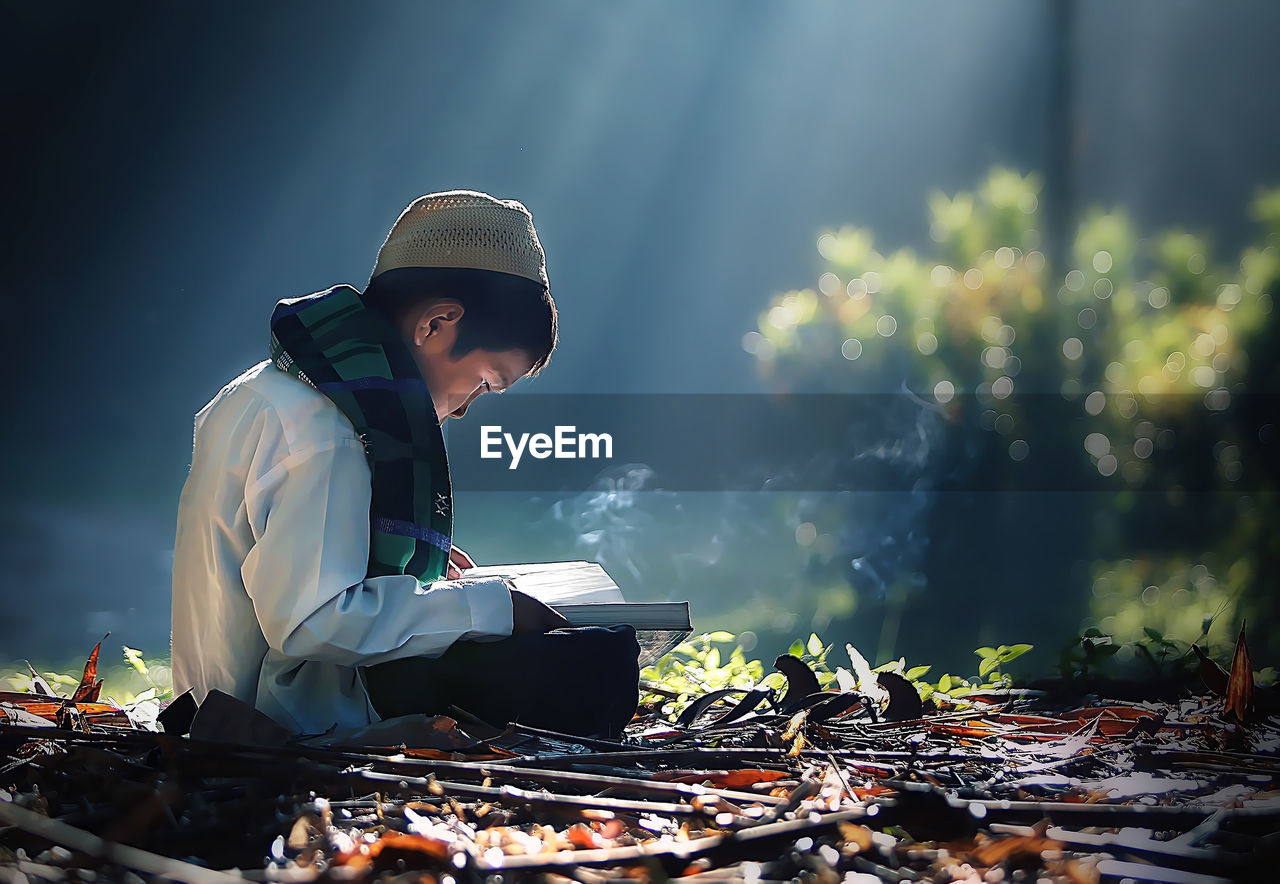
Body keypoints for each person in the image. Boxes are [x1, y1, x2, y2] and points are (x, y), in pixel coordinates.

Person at [171, 191, 639, 738]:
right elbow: (312, 619)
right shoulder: (327, 431)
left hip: (233, 700)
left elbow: (288, 570)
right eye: (486, 382)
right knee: (591, 667)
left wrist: (415, 577)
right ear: (436, 324)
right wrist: (488, 609)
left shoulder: (264, 391)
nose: (466, 408)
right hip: (283, 718)